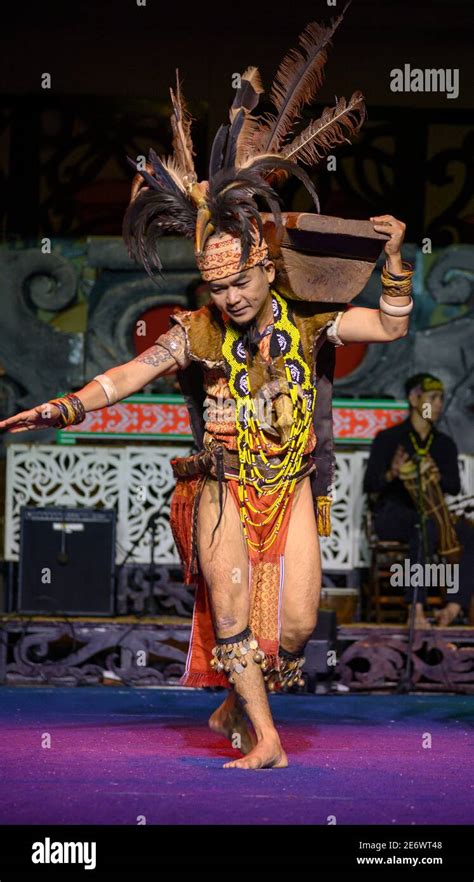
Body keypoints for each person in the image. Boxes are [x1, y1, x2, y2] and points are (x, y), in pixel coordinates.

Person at [0, 15, 414, 769]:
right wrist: (62, 406)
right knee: (231, 610)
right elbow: (131, 374)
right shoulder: (194, 331)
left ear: (265, 263)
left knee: (292, 628)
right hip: (221, 482)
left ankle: (237, 704)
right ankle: (268, 741)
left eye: (239, 281)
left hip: (289, 485)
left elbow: (388, 326)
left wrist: (394, 258)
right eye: (215, 284)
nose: (226, 296)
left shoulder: (314, 321)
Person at [363, 373, 474, 628]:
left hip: (434, 516)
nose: (437, 404)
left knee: (468, 534)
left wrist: (438, 474)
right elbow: (370, 485)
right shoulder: (389, 439)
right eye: (431, 398)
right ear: (415, 399)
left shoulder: (443, 444)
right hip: (393, 515)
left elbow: (454, 488)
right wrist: (392, 472)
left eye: (441, 399)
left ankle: (454, 606)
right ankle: (416, 608)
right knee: (422, 526)